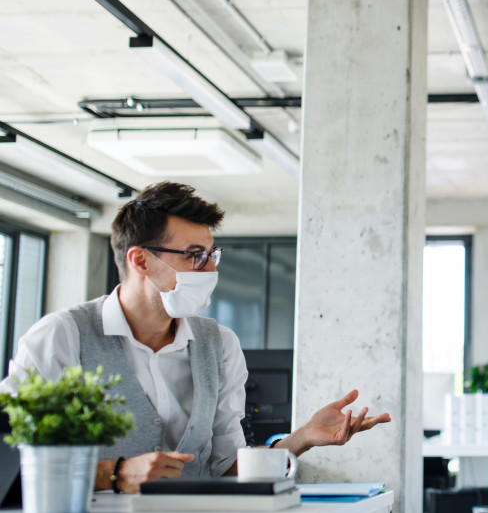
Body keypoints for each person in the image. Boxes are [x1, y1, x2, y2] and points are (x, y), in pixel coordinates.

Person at [0, 182, 390, 494]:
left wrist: (302, 437)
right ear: (140, 260)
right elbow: (11, 458)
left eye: (211, 255)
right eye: (193, 255)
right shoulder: (62, 336)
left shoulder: (220, 345)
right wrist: (115, 473)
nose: (207, 269)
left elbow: (226, 468)